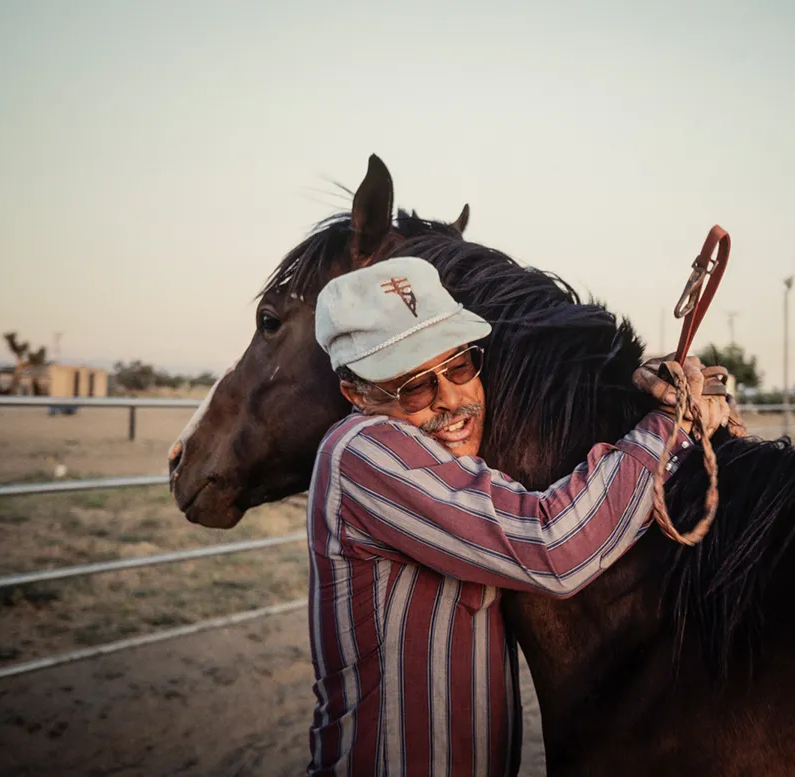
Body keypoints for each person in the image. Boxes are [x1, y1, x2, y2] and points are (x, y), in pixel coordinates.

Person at [305, 256, 731, 777]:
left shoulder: (443, 458)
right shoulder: (363, 450)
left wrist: (632, 388)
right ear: (356, 394)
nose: (451, 398)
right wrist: (670, 426)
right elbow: (550, 546)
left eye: (460, 366)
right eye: (414, 386)